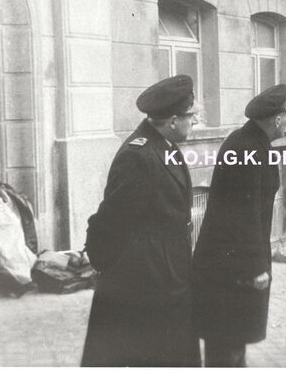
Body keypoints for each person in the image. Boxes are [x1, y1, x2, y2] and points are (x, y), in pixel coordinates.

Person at [81, 75, 201, 366]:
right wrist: (115, 273)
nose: (196, 121)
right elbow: (112, 221)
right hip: (146, 282)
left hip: (167, 275)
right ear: (173, 120)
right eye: (192, 115)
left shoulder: (163, 145)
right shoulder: (139, 156)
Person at [192, 84, 286, 367]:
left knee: (231, 342)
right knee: (228, 344)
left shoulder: (250, 143)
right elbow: (243, 215)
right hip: (230, 269)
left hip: (228, 265)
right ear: (277, 119)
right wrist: (256, 267)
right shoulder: (247, 149)